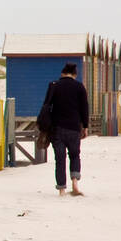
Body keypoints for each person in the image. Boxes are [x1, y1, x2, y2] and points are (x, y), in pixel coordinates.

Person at [42, 62, 90, 196]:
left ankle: (62, 189)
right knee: (74, 155)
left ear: (62, 74)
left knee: (60, 158)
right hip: (74, 128)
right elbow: (84, 108)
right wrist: (85, 126)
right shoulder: (79, 87)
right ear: (75, 74)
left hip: (57, 128)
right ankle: (75, 182)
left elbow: (46, 106)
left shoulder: (55, 86)